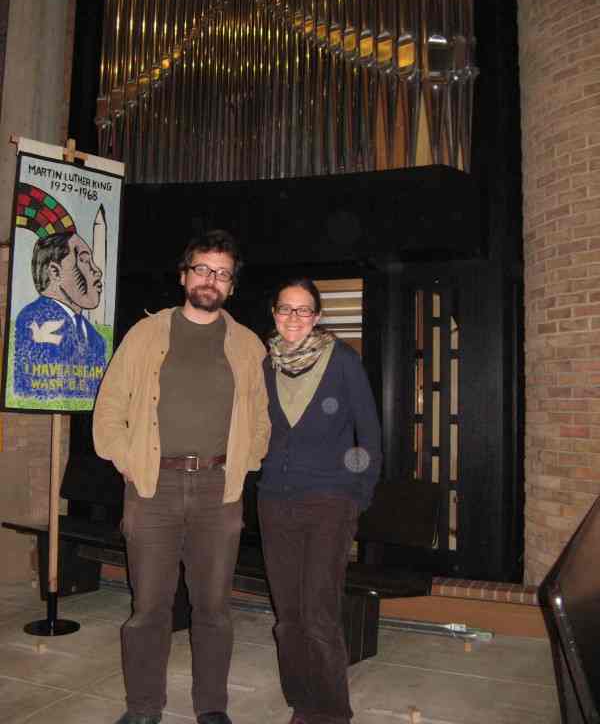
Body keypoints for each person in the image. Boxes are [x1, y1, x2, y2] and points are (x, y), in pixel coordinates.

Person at [92, 230, 270, 724]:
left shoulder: (247, 345)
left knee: (213, 608)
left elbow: (261, 417)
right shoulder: (145, 335)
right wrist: (127, 460)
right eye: (202, 269)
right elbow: (109, 408)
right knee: (149, 607)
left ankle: (211, 707)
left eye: (222, 273)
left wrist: (248, 459)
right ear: (184, 275)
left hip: (220, 489)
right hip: (153, 487)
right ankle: (144, 706)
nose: (210, 280)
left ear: (232, 285)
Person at [258, 278, 383, 724]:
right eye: (285, 309)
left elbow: (368, 432)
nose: (293, 318)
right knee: (287, 615)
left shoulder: (343, 362)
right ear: (273, 312)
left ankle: (331, 713)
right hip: (275, 500)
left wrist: (357, 497)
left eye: (304, 310)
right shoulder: (265, 364)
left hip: (329, 501)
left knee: (318, 612)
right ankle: (301, 700)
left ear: (318, 316)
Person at [14, 231, 106, 399]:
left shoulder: (97, 339)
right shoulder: (32, 321)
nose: (97, 271)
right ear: (55, 272)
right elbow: (30, 393)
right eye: (84, 261)